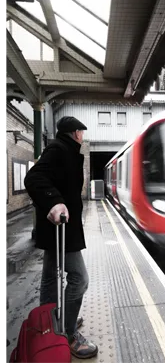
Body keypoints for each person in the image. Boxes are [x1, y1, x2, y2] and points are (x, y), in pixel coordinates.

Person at [24, 117, 98, 359]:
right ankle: (66, 332)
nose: (83, 136)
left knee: (49, 279)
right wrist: (54, 200)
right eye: (82, 132)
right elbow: (34, 178)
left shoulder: (65, 150)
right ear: (76, 133)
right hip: (61, 230)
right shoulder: (58, 149)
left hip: (59, 229)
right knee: (79, 279)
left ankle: (50, 326)